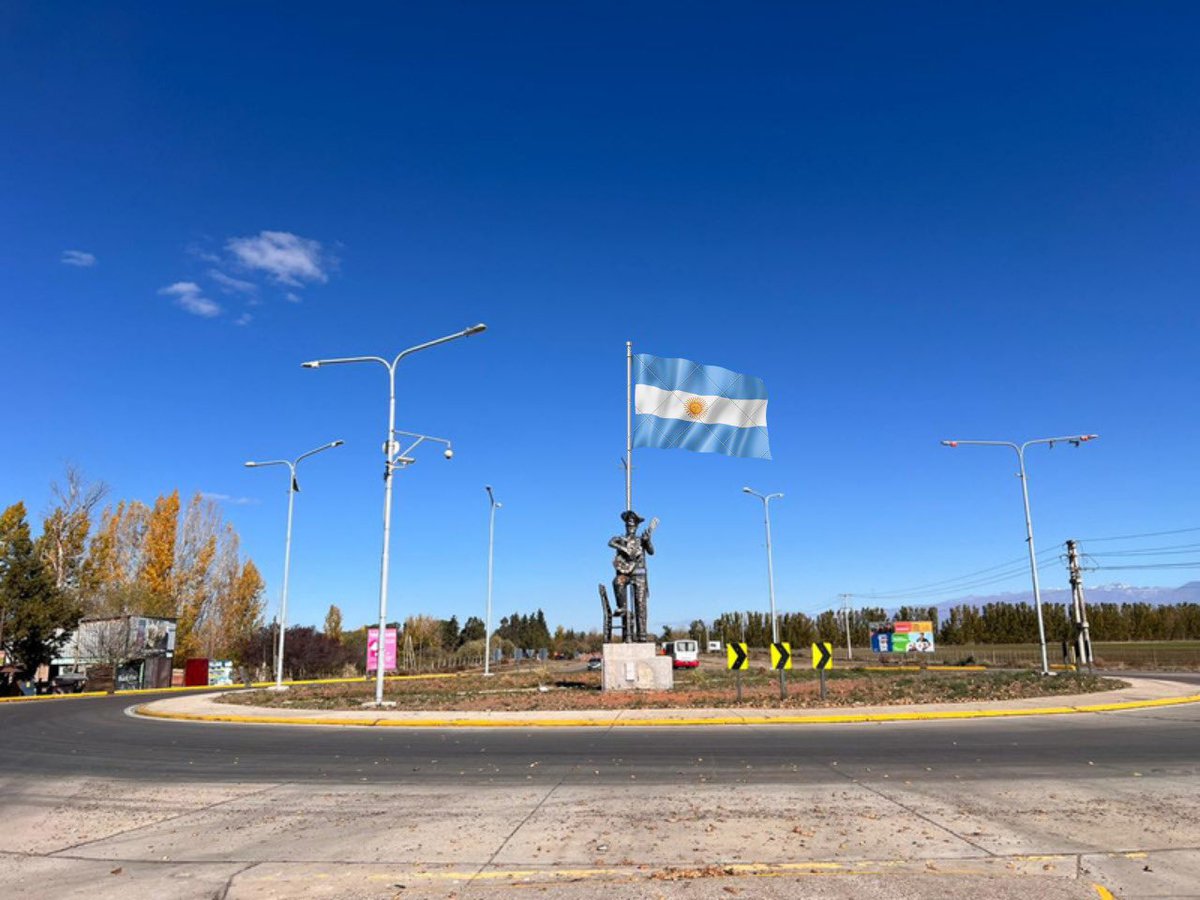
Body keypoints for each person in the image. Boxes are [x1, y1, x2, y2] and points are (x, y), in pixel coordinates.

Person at [608, 510, 656, 642]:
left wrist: (648, 541)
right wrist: (624, 549)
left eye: (633, 526)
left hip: (639, 574)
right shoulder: (621, 539)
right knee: (618, 582)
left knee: (640, 604)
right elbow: (610, 542)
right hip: (625, 573)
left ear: (637, 527)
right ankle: (626, 627)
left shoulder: (641, 540)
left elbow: (651, 552)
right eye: (628, 526)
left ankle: (642, 635)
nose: (630, 528)